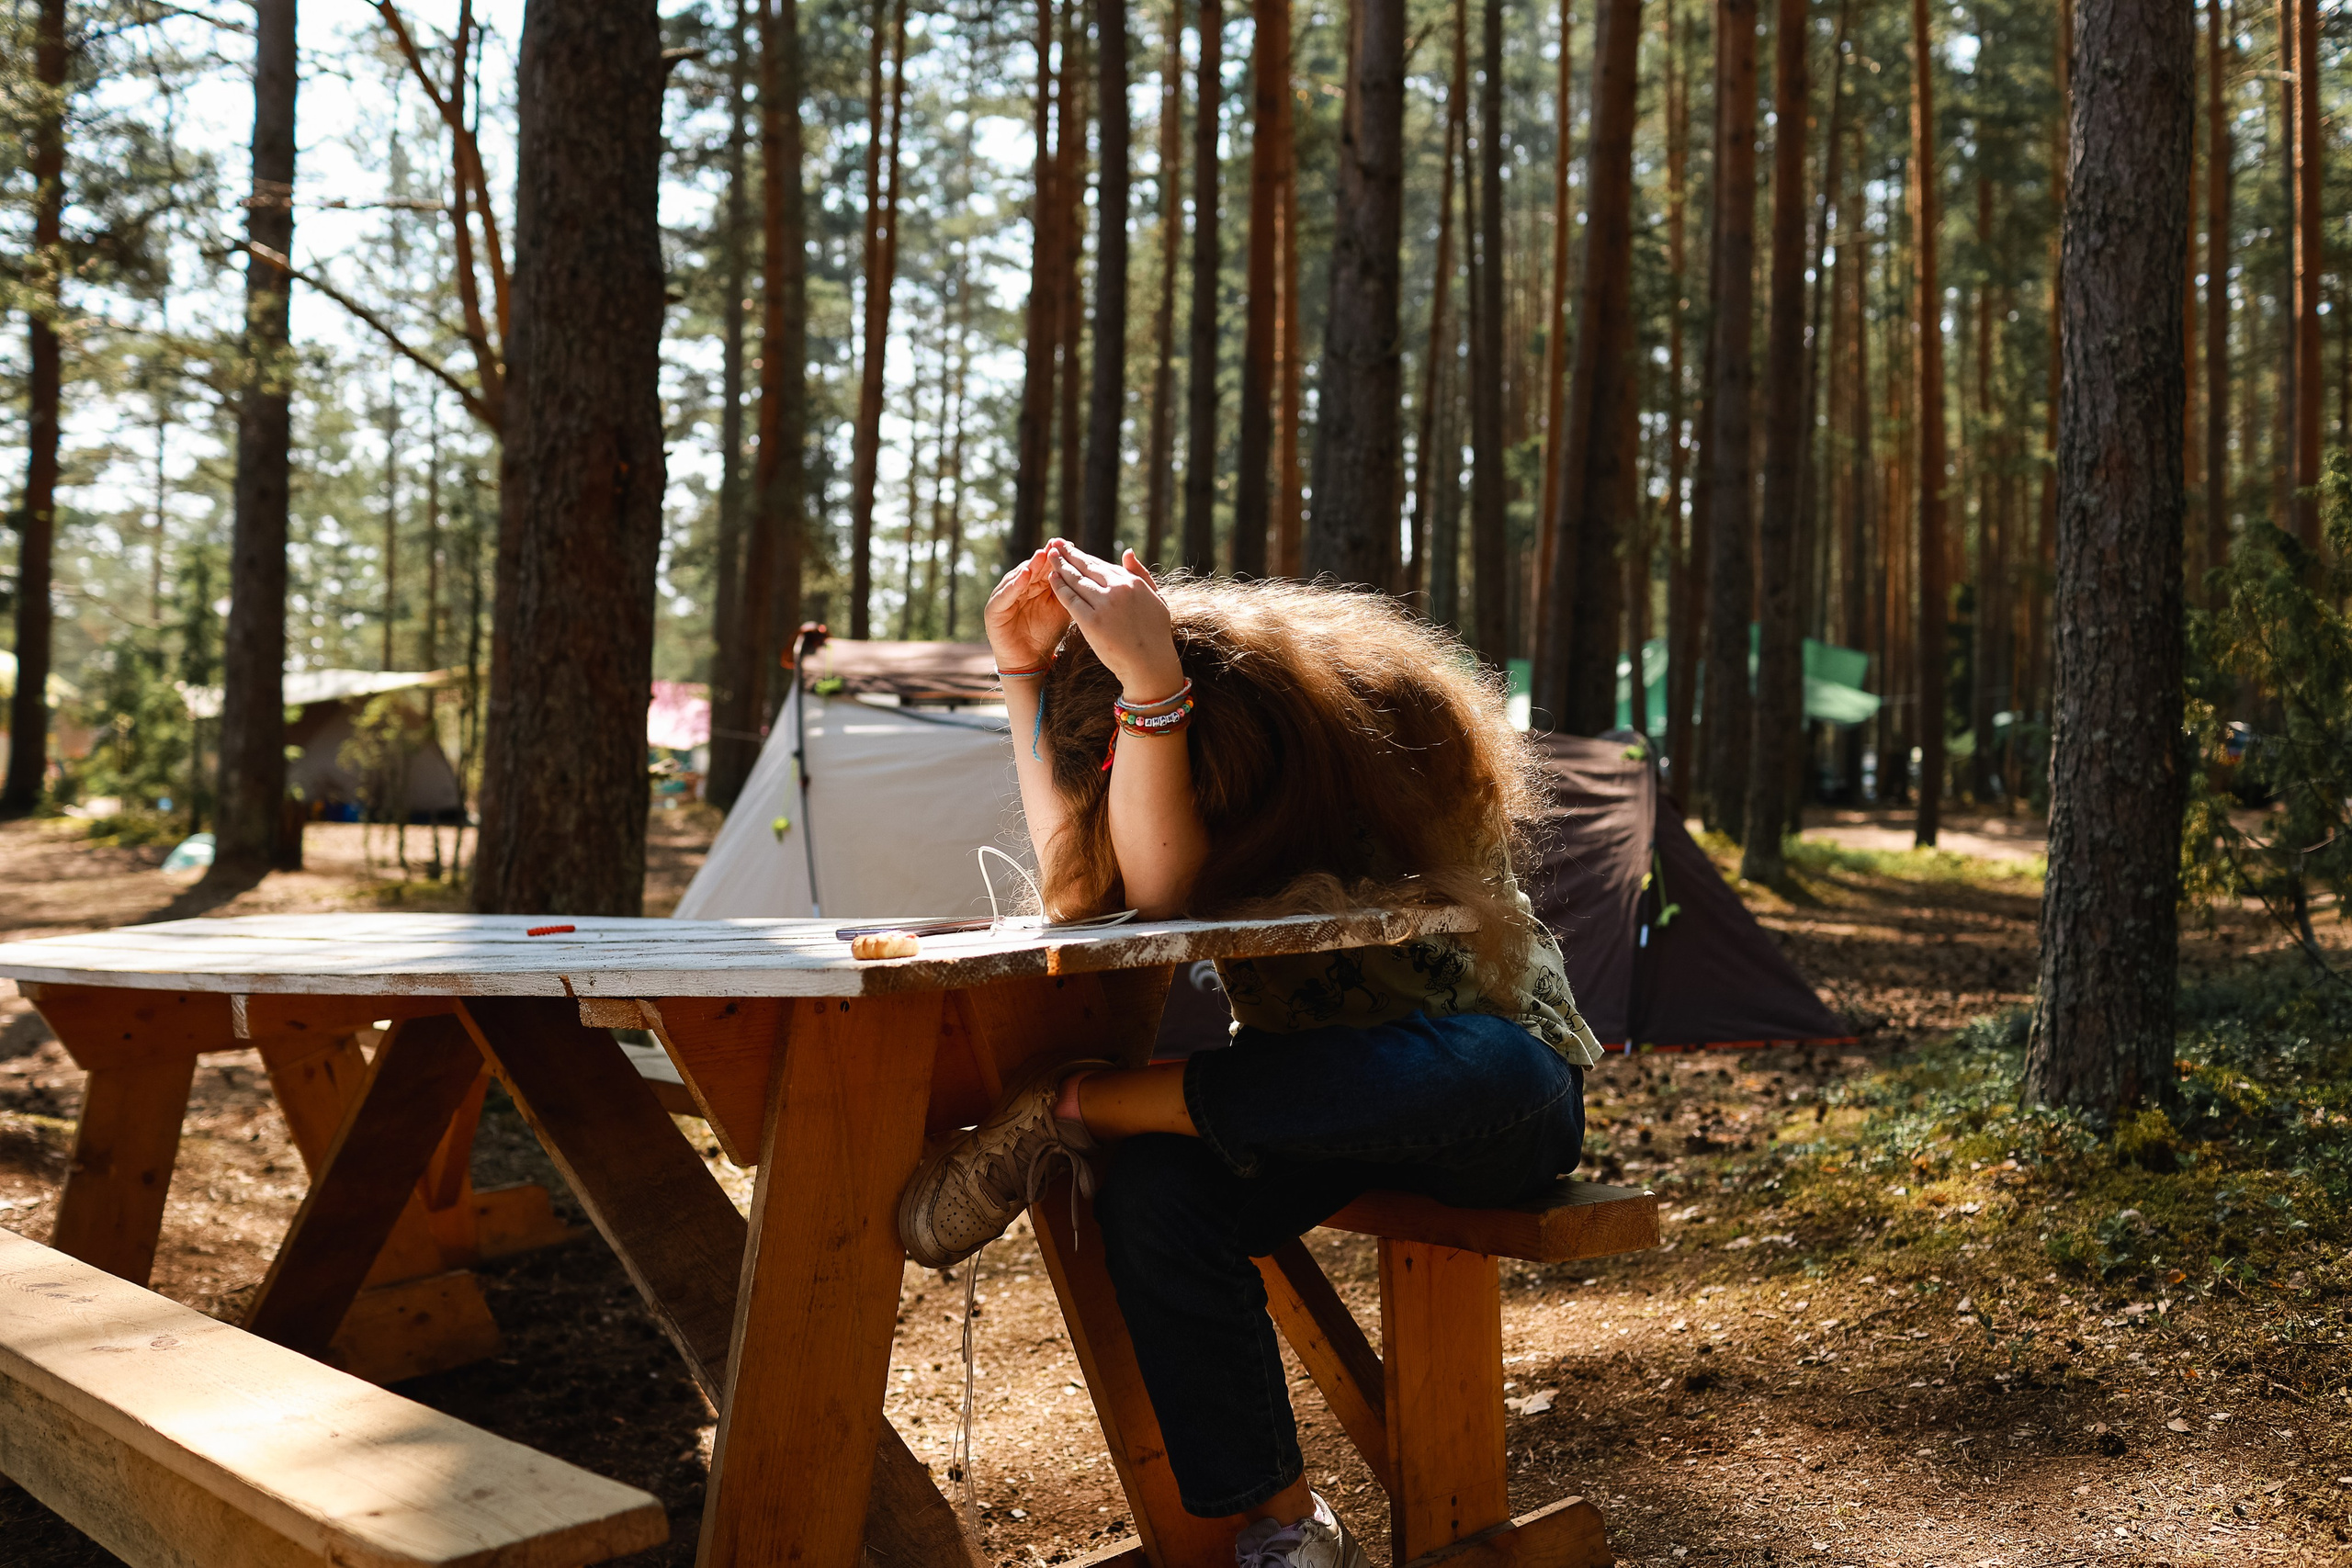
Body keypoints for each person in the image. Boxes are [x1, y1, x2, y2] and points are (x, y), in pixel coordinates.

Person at [899, 539, 1600, 1568]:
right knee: (1153, 1191)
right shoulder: (1201, 745)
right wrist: (1025, 674)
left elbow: (1162, 891)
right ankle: (1284, 1528)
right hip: (1293, 1107)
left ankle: (1077, 1103)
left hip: (1486, 1105)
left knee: (1489, 1062)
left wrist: (1156, 691)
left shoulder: (1391, 724)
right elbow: (1087, 893)